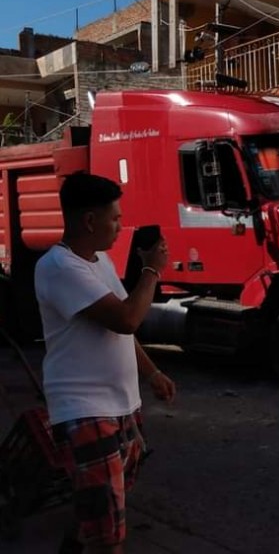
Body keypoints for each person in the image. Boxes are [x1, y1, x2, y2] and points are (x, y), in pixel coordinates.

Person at [34, 172, 176, 554]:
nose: (119, 226)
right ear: (90, 221)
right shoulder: (60, 267)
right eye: (114, 218)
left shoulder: (100, 262)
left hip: (119, 406)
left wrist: (152, 373)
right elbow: (127, 318)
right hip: (87, 411)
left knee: (99, 511)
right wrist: (151, 269)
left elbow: (121, 330)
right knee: (109, 533)